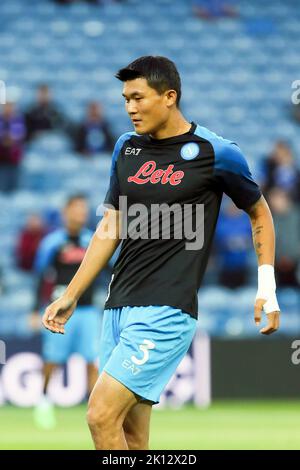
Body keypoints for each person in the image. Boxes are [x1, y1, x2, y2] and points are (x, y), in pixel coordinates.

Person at [42, 56, 281, 449]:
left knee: (99, 415)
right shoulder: (126, 147)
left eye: (138, 98)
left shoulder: (216, 152)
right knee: (131, 436)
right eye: (125, 99)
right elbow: (111, 225)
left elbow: (259, 211)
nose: (130, 108)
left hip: (166, 310)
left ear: (169, 96)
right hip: (117, 307)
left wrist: (266, 286)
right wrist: (71, 293)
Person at [32, 194, 100, 429]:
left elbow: (108, 269)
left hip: (88, 310)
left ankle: (95, 409)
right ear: (66, 212)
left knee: (92, 361)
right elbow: (41, 276)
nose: (81, 213)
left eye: (84, 209)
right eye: (77, 209)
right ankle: (43, 401)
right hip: (60, 311)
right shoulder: (53, 242)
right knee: (53, 360)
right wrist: (34, 309)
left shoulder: (92, 240)